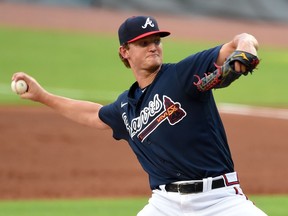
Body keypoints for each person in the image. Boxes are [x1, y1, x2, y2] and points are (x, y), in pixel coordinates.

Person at [12, 16, 267, 216]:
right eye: (144, 43)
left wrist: (245, 48)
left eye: (156, 41)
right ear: (125, 51)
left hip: (219, 200)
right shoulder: (126, 106)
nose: (153, 47)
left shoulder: (182, 74)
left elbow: (242, 40)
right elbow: (93, 114)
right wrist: (42, 96)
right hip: (165, 204)